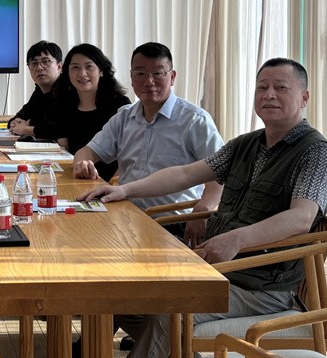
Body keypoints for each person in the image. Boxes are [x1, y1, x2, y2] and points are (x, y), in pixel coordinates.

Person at [79, 57, 327, 358]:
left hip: (261, 287)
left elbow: (301, 218)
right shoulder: (247, 144)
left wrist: (237, 239)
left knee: (169, 315)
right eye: (262, 87)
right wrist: (124, 190)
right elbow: (185, 174)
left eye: (281, 88)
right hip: (215, 269)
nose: (269, 94)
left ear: (304, 97)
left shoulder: (315, 152)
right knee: (125, 296)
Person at [72, 42, 224, 242]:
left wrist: (204, 207)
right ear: (131, 77)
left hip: (172, 222)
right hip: (124, 215)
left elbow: (221, 172)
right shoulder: (124, 117)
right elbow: (88, 151)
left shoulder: (195, 120)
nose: (149, 81)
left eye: (158, 73)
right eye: (140, 73)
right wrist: (83, 162)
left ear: (172, 77)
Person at [54, 43, 130, 181]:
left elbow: (128, 156)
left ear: (101, 71)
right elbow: (64, 150)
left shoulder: (120, 105)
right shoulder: (63, 105)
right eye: (75, 67)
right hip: (77, 177)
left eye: (89, 66)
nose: (82, 74)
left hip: (113, 182)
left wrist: (112, 186)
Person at [8, 41, 63, 139]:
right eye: (34, 63)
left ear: (59, 66)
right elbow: (21, 115)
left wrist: (25, 129)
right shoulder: (39, 91)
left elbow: (59, 129)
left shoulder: (67, 90)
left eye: (45, 62)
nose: (39, 68)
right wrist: (14, 123)